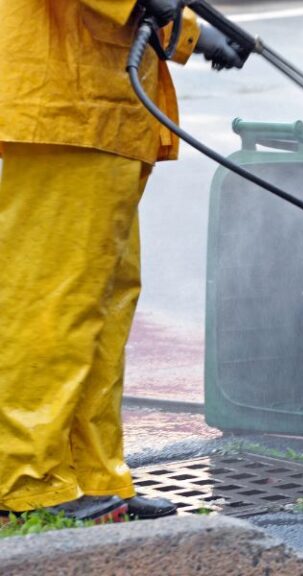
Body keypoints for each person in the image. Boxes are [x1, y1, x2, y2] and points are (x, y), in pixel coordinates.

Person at [0, 0, 243, 522]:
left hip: (99, 102)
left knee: (102, 305)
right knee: (52, 304)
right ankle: (23, 482)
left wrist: (190, 28)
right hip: (66, 97)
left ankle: (92, 476)